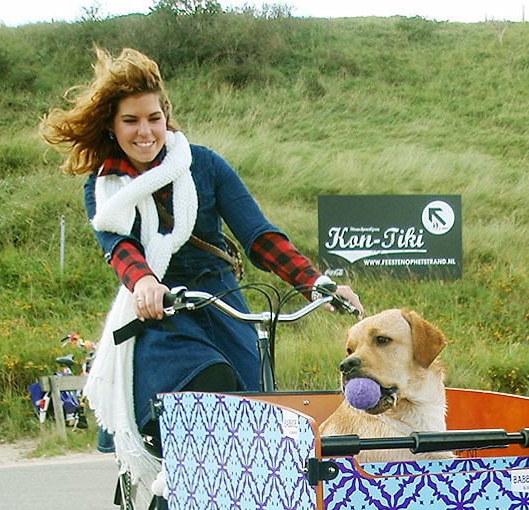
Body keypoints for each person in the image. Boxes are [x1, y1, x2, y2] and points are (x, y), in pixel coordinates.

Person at [38, 48, 360, 483]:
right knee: (207, 385)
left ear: (165, 115)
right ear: (112, 127)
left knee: (259, 417)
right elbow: (120, 249)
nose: (145, 131)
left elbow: (259, 236)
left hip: (222, 303)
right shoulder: (105, 186)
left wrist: (317, 284)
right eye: (130, 121)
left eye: (153, 117)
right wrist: (146, 283)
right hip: (160, 313)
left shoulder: (203, 165)